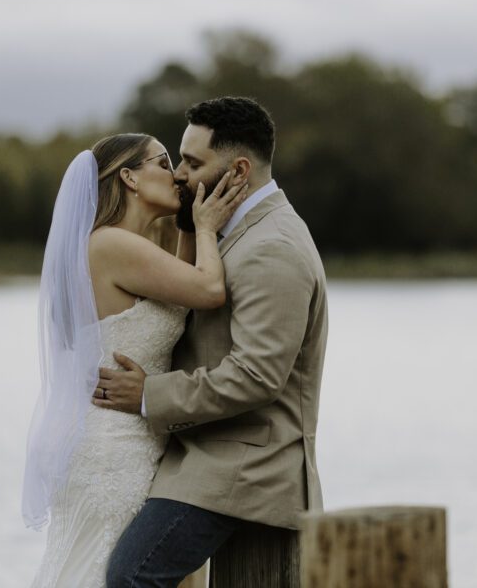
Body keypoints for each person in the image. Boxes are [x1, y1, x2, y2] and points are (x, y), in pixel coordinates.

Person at [94, 97, 329, 587]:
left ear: (239, 169)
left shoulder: (272, 248)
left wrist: (147, 395)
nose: (179, 173)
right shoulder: (230, 231)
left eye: (192, 162)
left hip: (242, 466)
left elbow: (257, 375)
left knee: (130, 577)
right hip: (203, 454)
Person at [23, 132, 247, 587]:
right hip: (114, 453)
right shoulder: (111, 245)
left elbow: (180, 297)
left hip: (124, 442)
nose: (177, 174)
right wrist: (206, 227)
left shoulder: (121, 248)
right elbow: (207, 290)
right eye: (163, 162)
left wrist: (187, 226)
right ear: (128, 177)